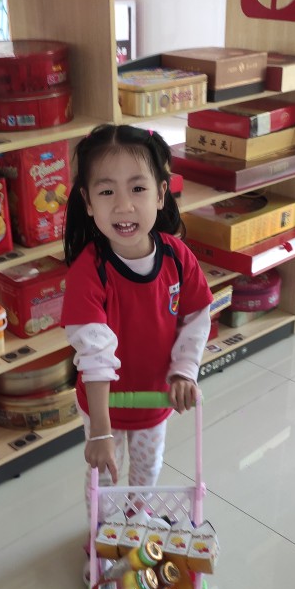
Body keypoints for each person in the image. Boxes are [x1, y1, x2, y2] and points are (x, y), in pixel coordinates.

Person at [61, 124, 212, 510]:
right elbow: (94, 354)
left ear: (160, 194)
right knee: (104, 474)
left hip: (154, 397)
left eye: (138, 188)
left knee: (147, 469)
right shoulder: (88, 272)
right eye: (107, 191)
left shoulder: (178, 257)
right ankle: (104, 533)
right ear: (88, 201)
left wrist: (184, 371)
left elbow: (195, 316)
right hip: (102, 405)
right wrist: (99, 431)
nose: (124, 206)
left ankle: (136, 522)